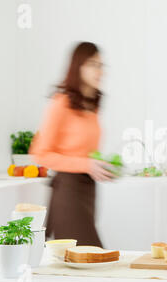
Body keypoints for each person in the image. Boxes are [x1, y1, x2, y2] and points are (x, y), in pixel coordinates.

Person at [29, 42, 114, 246]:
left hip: (87, 189)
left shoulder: (92, 106)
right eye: (93, 64)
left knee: (80, 260)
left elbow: (83, 152)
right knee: (89, 257)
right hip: (68, 190)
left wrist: (99, 167)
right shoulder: (61, 103)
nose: (100, 71)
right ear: (79, 66)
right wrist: (86, 165)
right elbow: (40, 153)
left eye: (102, 65)